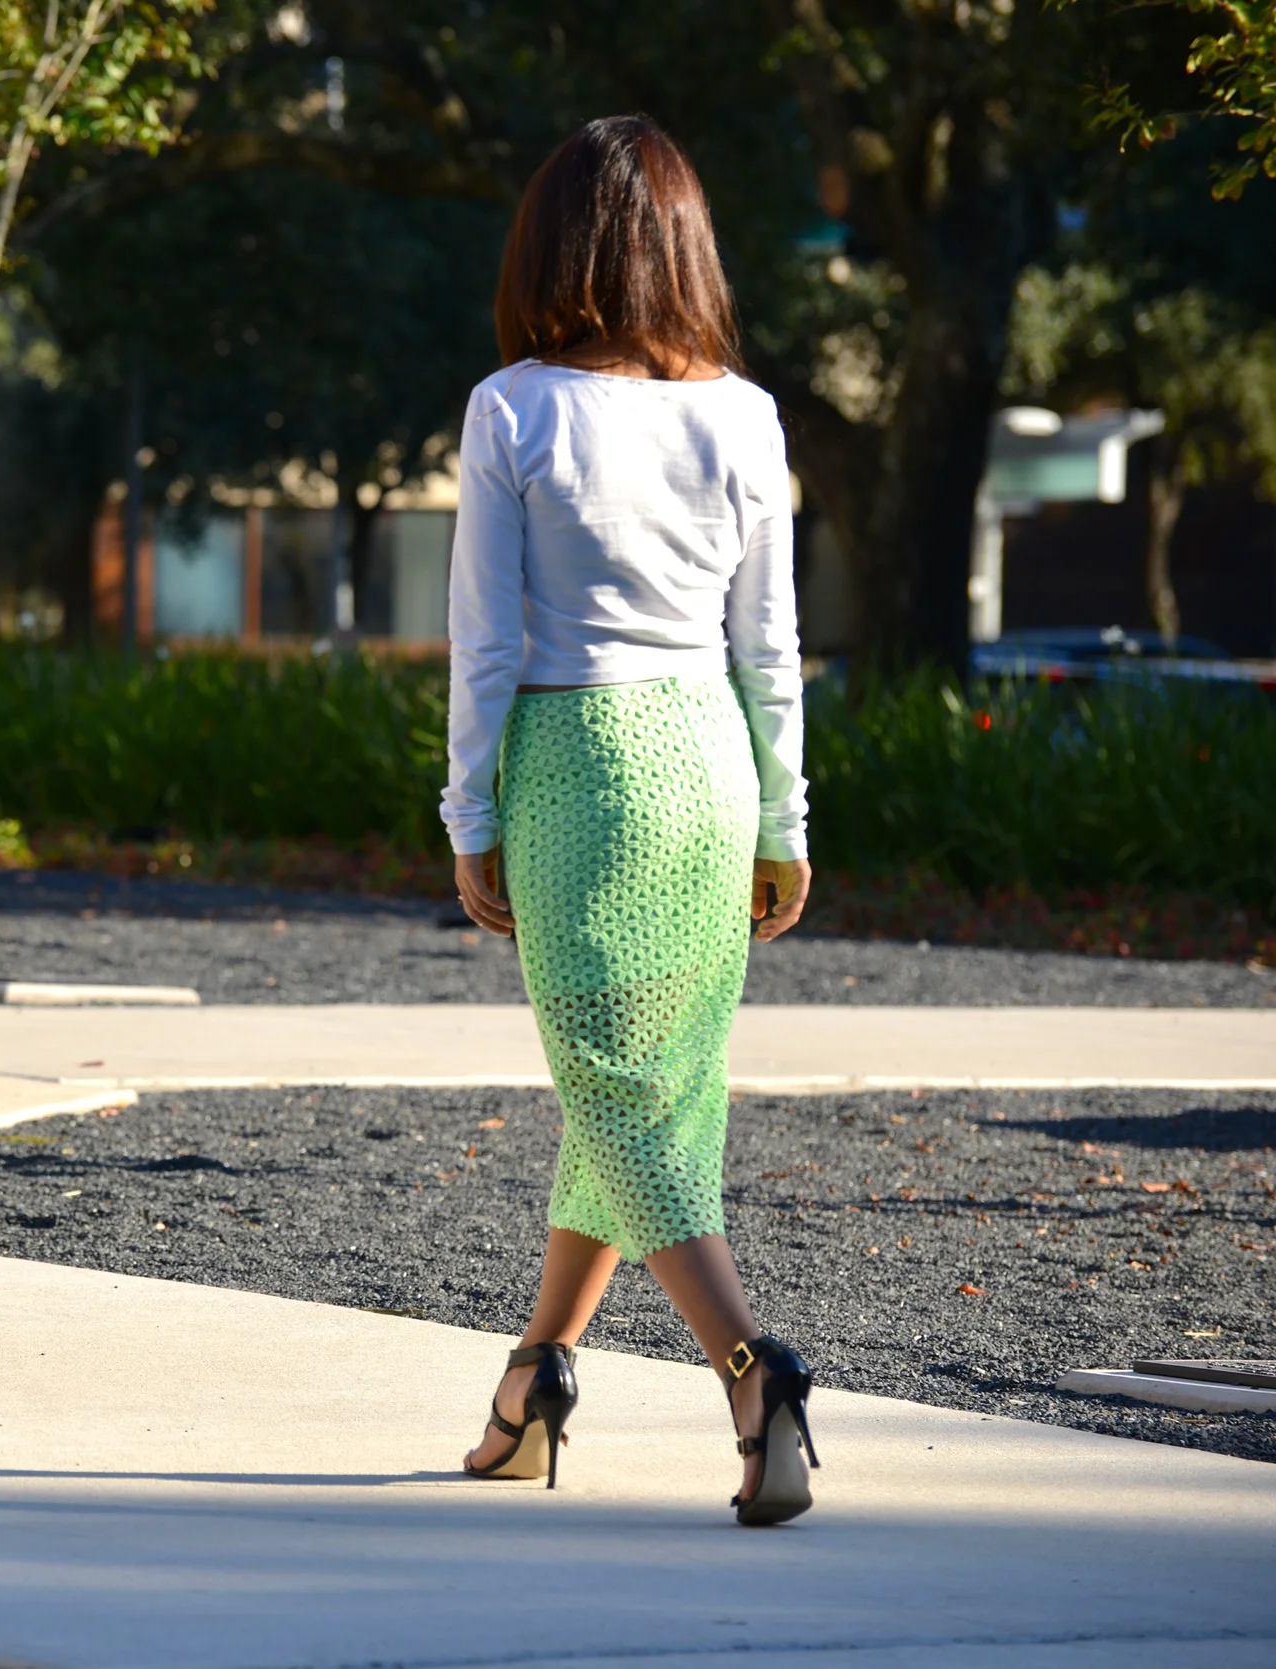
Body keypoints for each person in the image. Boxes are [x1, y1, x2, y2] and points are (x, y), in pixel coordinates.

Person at [443, 115, 821, 1526]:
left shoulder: (513, 409)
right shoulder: (743, 412)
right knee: (647, 1087)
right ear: (684, 248)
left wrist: (465, 810)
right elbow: (770, 644)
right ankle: (531, 1384)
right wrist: (784, 815)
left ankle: (752, 1367)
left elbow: (485, 641)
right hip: (708, 763)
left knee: (615, 1084)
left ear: (551, 246)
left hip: (577, 757)